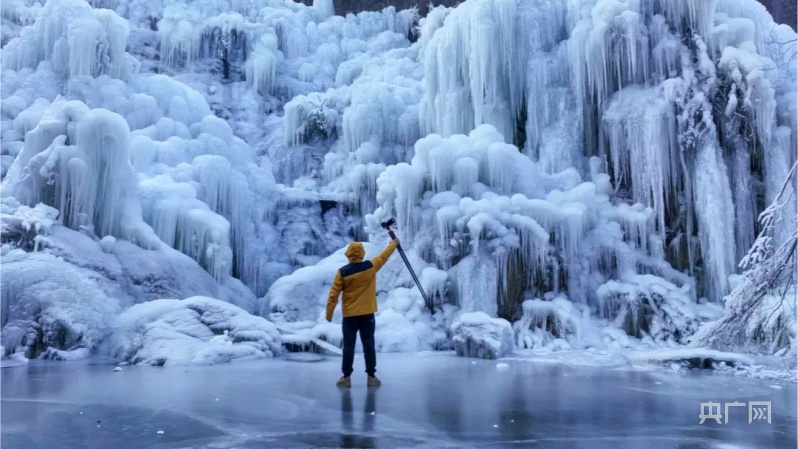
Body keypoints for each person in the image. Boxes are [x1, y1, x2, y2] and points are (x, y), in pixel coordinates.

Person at [326, 238, 398, 388]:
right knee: (368, 345)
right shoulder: (370, 266)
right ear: (362, 254)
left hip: (350, 316)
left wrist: (329, 313)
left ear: (348, 255)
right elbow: (384, 255)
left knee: (349, 346)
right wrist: (394, 243)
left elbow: (333, 294)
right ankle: (371, 377)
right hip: (367, 314)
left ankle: (346, 377)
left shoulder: (342, 272)